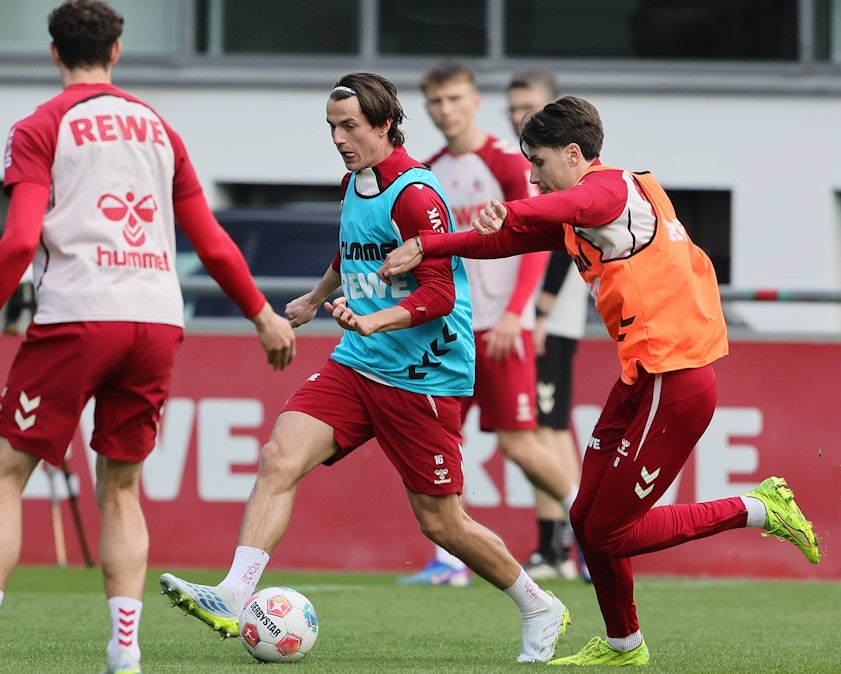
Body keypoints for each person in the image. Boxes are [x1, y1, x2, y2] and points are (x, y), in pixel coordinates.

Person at [379, 95, 821, 667]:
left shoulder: (609, 188)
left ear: (574, 153)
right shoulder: (586, 210)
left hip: (675, 382)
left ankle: (756, 507)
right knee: (585, 519)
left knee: (610, 532)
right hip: (643, 379)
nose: (532, 176)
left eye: (539, 162)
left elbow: (570, 203)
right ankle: (624, 645)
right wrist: (430, 246)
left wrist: (512, 209)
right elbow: (505, 242)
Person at [158, 72, 570, 664]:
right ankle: (233, 593)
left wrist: (375, 321)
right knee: (279, 456)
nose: (338, 138)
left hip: (422, 375)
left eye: (349, 126)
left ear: (384, 125)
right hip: (358, 362)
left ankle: (538, 605)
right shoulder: (356, 180)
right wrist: (314, 297)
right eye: (331, 127)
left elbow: (440, 295)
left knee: (442, 523)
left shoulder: (416, 194)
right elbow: (351, 245)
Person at [0, 2, 297, 673]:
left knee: (7, 474)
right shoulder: (159, 129)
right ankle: (126, 650)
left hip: (78, 316)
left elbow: (19, 240)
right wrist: (261, 315)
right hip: (157, 321)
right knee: (122, 487)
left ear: (54, 53)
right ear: (117, 51)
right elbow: (211, 241)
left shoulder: (39, 126)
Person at [398, 59, 579, 587]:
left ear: (475, 102)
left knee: (520, 445)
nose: (445, 110)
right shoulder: (428, 171)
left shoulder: (507, 161)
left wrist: (517, 314)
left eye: (455, 98)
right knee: (440, 441)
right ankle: (451, 560)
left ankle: (590, 529)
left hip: (501, 328)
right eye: (436, 101)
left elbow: (538, 241)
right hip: (450, 330)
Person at [506, 69, 588, 581]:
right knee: (544, 429)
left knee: (545, 431)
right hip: (536, 318)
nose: (520, 116)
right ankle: (558, 546)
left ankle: (569, 542)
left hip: (548, 322)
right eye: (513, 107)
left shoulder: (555, 168)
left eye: (529, 107)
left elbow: (561, 237)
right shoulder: (531, 163)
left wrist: (539, 313)